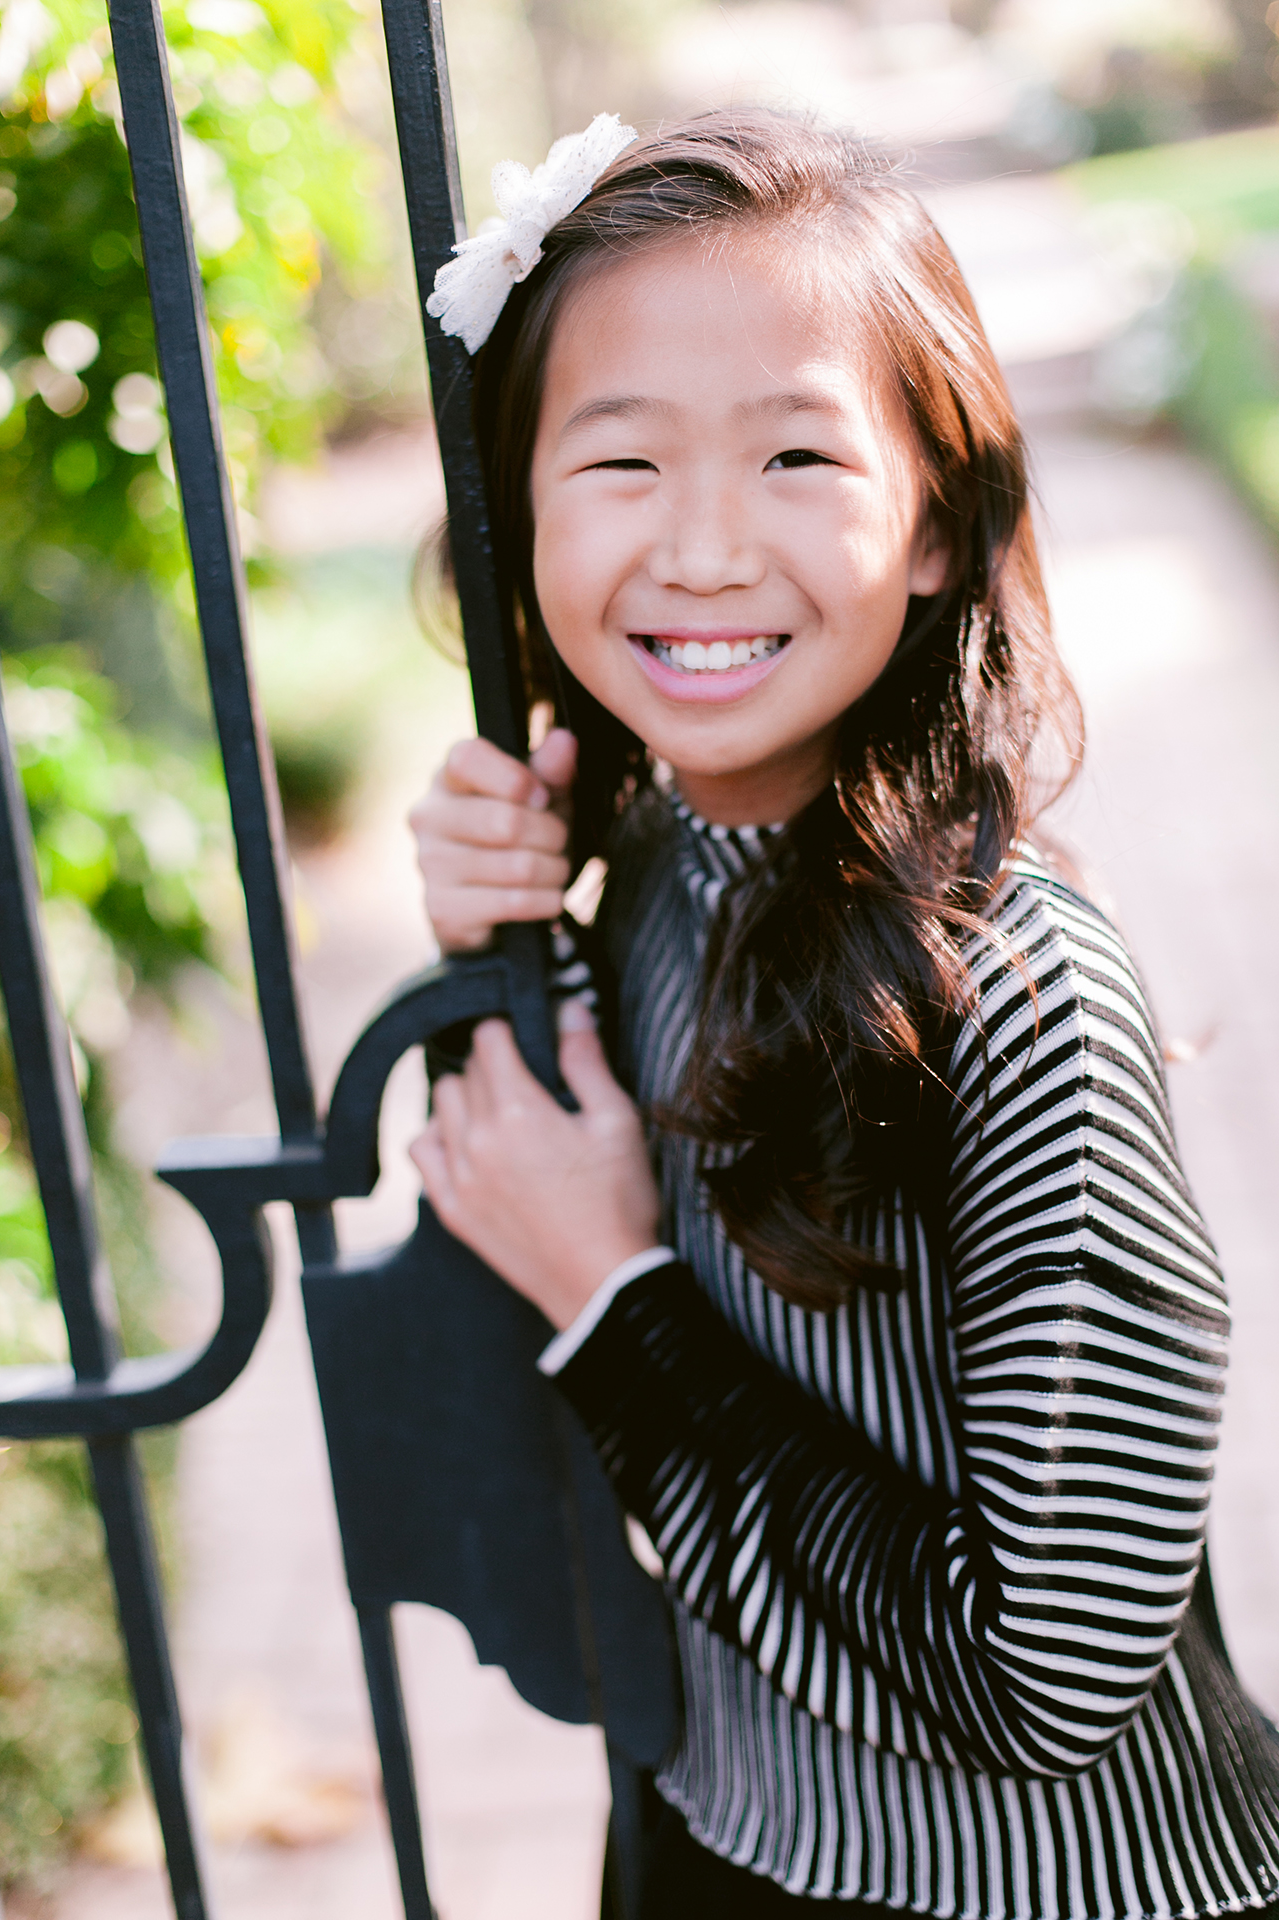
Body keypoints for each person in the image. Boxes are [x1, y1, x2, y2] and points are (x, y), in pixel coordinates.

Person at [407, 109, 1279, 1915]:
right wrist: (494, 946)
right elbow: (528, 1203)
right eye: (622, 463)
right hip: (721, 1823)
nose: (707, 549)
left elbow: (1048, 1685)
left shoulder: (1024, 999)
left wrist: (617, 1309)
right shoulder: (652, 869)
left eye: (799, 455)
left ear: (941, 523)